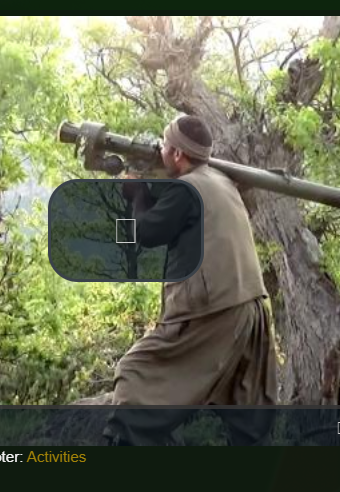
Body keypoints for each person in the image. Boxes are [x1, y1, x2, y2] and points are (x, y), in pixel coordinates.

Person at [104, 115, 279, 446]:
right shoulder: (220, 181)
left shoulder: (187, 188)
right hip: (251, 308)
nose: (160, 149)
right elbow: (176, 218)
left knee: (134, 374)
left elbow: (148, 232)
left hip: (214, 312)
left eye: (164, 144)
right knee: (246, 422)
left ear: (178, 155)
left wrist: (135, 195)